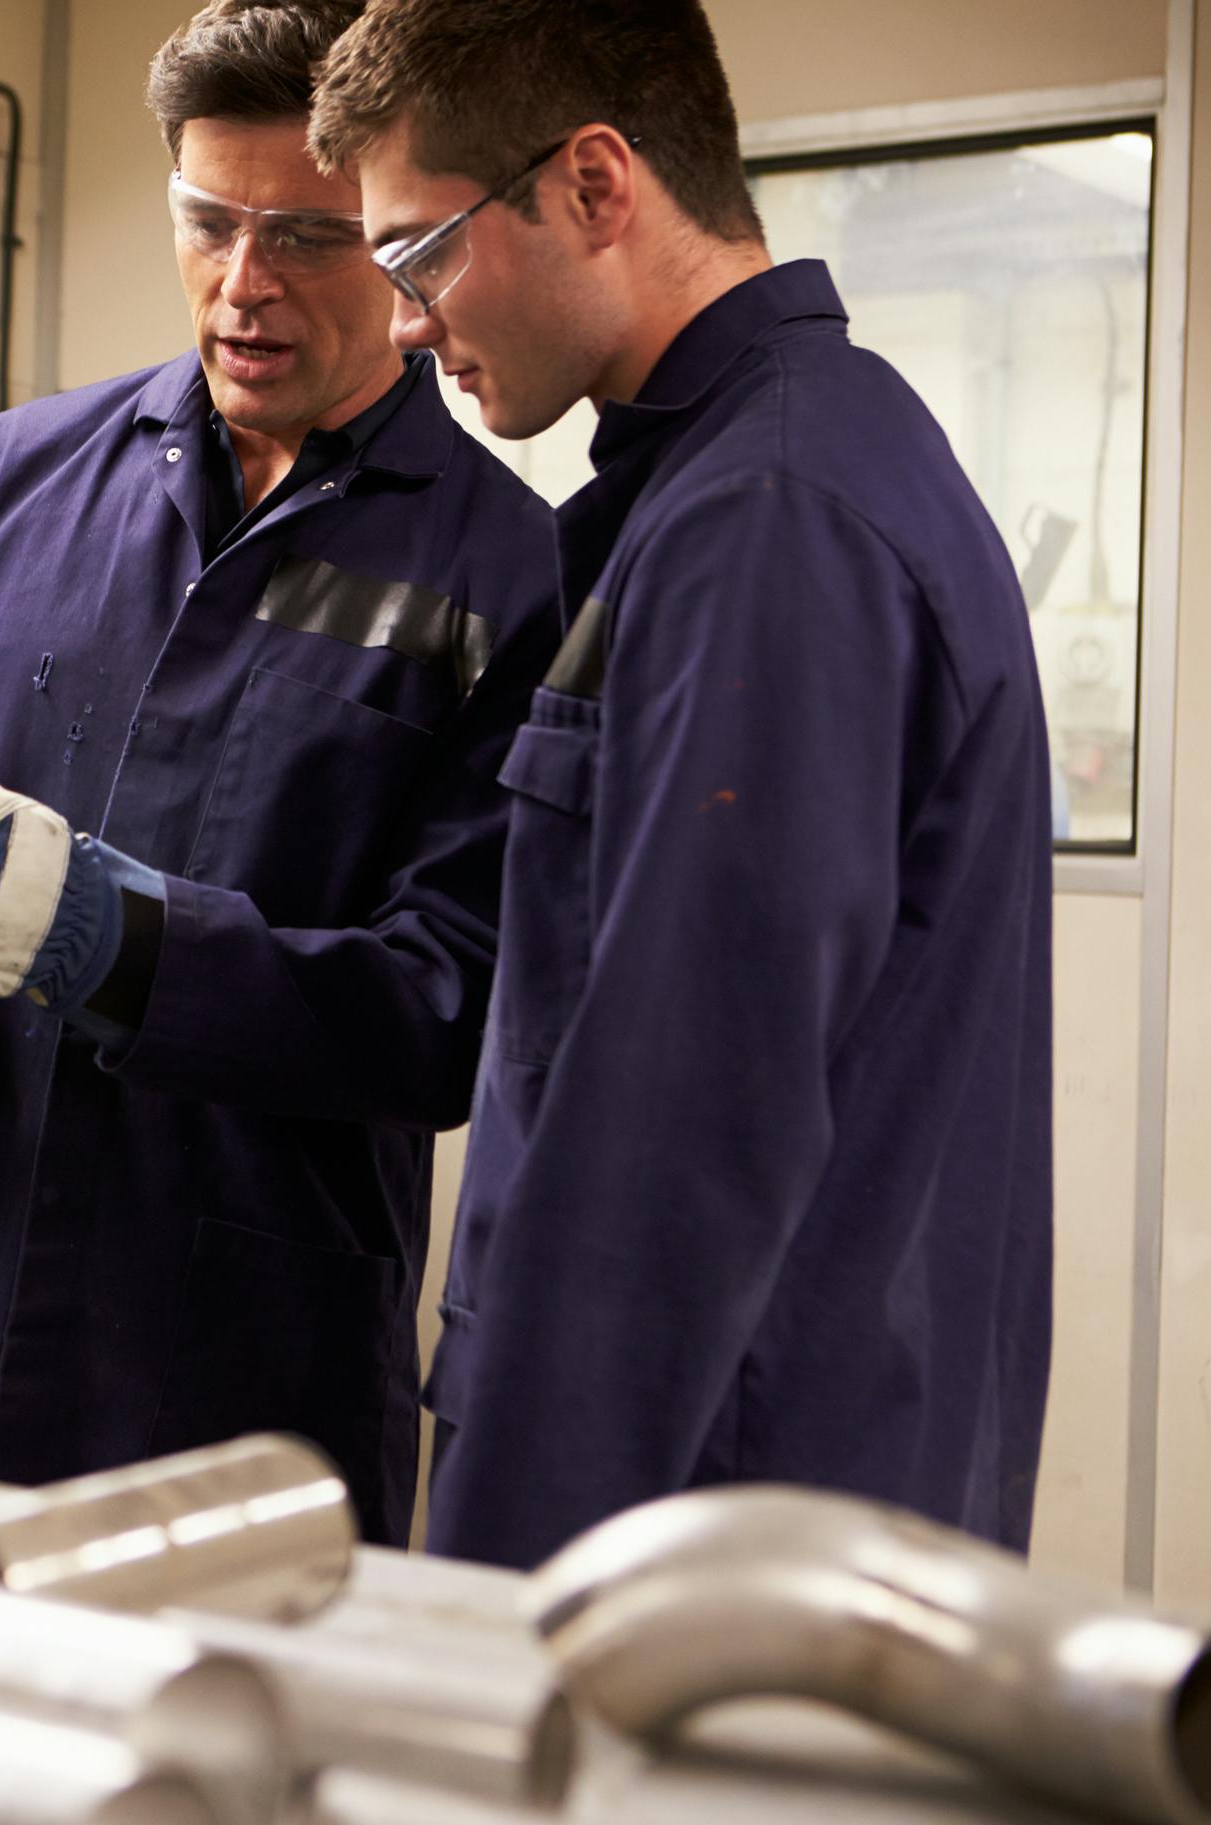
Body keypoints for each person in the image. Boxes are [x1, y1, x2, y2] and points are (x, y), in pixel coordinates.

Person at [0, 0, 561, 1546]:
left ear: (399, 250)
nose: (243, 284)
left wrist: (107, 937)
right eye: (208, 223)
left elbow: (450, 1017)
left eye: (307, 238)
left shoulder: (505, 577)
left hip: (240, 1369)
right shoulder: (16, 482)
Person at [307, 0, 1055, 1567]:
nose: (406, 327)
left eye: (417, 256)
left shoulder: (764, 521)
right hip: (758, 1494)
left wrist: (494, 1609)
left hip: (708, 1531)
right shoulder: (762, 475)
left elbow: (675, 1136)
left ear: (591, 184)